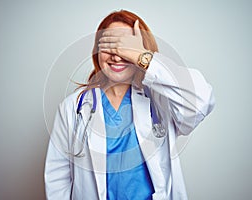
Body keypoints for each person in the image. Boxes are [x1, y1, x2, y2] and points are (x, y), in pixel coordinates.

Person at [44, 10, 215, 200]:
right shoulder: (73, 108)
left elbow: (201, 100)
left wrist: (143, 57)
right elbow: (57, 179)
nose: (117, 56)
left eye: (125, 47)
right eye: (110, 45)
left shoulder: (162, 100)